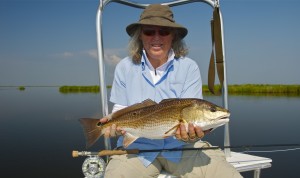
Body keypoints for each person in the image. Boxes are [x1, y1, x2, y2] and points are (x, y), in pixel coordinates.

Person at [100, 4, 242, 178]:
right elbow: (119, 111)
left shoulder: (189, 67)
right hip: (136, 150)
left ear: (174, 36)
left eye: (164, 32)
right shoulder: (124, 67)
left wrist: (192, 136)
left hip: (182, 149)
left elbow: (195, 123)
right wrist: (112, 124)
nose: (156, 37)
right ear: (140, 36)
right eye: (149, 32)